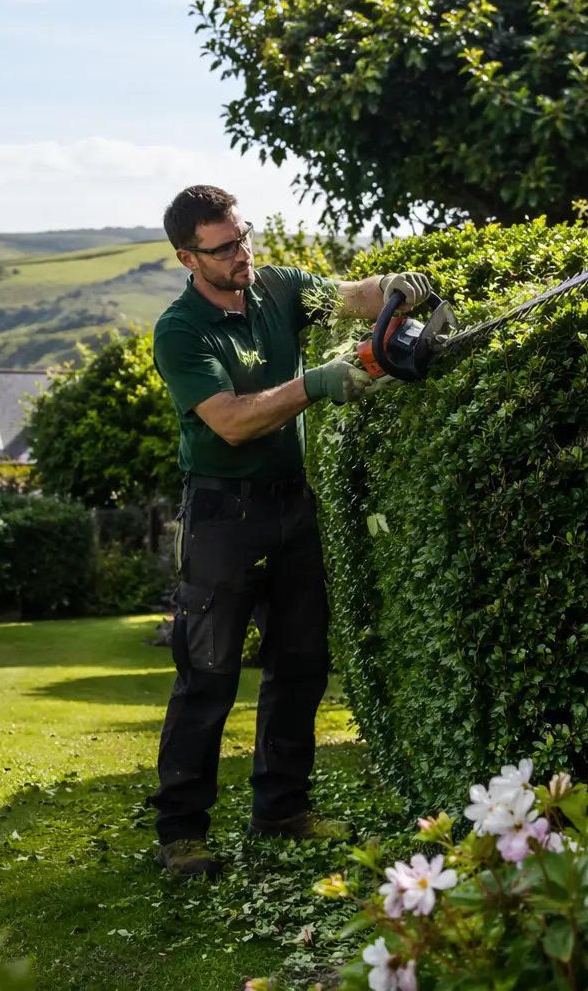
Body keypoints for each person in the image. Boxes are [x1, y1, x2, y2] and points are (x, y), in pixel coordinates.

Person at [149, 185, 433, 877]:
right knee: (208, 673)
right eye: (224, 248)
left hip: (289, 503)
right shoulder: (181, 330)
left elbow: (346, 295)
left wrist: (394, 289)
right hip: (222, 515)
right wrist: (316, 383)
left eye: (243, 238)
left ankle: (282, 810)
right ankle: (181, 833)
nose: (243, 255)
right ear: (189, 257)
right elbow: (233, 421)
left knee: (300, 662)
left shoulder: (274, 288)